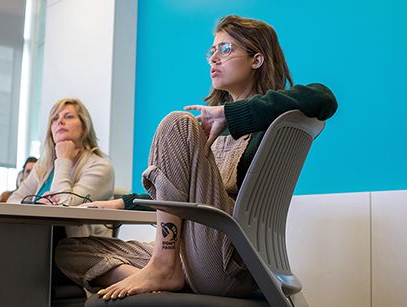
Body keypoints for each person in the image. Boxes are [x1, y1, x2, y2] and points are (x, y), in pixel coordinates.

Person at [55, 15, 338, 300]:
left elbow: (323, 97)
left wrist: (228, 115)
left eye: (225, 49)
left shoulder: (270, 119)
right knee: (70, 251)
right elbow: (180, 195)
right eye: (212, 51)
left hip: (229, 260)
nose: (214, 59)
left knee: (178, 122)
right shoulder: (209, 129)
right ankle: (162, 276)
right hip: (192, 256)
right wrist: (121, 203)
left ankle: (163, 268)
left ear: (257, 60)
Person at [8, 98, 115, 237]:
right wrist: (36, 203)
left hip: (79, 250)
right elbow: (12, 201)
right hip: (36, 240)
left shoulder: (101, 167)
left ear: (84, 127)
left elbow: (63, 208)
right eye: (55, 118)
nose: (60, 121)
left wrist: (63, 159)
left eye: (69, 116)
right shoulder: (43, 166)